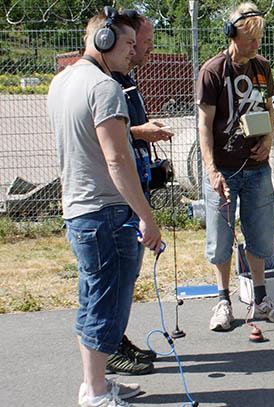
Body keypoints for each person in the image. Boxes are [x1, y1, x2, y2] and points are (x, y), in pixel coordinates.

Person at [48, 7, 162, 406]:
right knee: (106, 303)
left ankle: (93, 383)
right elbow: (117, 159)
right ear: (104, 41)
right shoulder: (104, 87)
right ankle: (95, 394)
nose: (133, 52)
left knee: (94, 297)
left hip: (79, 210)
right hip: (108, 213)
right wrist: (146, 217)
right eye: (129, 44)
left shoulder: (60, 83)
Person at [196, 2, 274, 332]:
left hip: (257, 169)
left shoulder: (262, 67)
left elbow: (269, 110)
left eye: (259, 39)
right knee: (221, 239)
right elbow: (204, 125)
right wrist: (211, 169)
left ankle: (261, 299)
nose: (256, 46)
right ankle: (223, 300)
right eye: (250, 40)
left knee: (261, 236)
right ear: (232, 35)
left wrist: (268, 139)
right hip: (223, 170)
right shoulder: (213, 71)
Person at [106, 10, 173, 377]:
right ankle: (109, 347)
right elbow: (107, 140)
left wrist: (145, 137)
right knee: (115, 275)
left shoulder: (126, 80)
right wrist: (139, 132)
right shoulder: (105, 84)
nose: (141, 50)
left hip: (136, 187)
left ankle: (115, 337)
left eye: (142, 43)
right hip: (117, 200)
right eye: (137, 44)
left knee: (128, 274)